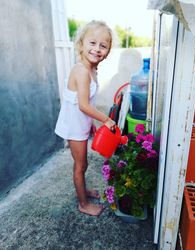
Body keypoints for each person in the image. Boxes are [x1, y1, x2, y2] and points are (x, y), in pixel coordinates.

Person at [55, 20, 116, 216]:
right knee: (80, 166)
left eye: (103, 45)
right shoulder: (81, 71)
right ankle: (83, 203)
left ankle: (84, 191)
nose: (97, 49)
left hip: (80, 122)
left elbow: (84, 102)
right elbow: (83, 105)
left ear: (107, 51)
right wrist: (105, 120)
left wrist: (90, 124)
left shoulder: (91, 70)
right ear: (81, 44)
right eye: (92, 43)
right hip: (73, 126)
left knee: (84, 163)